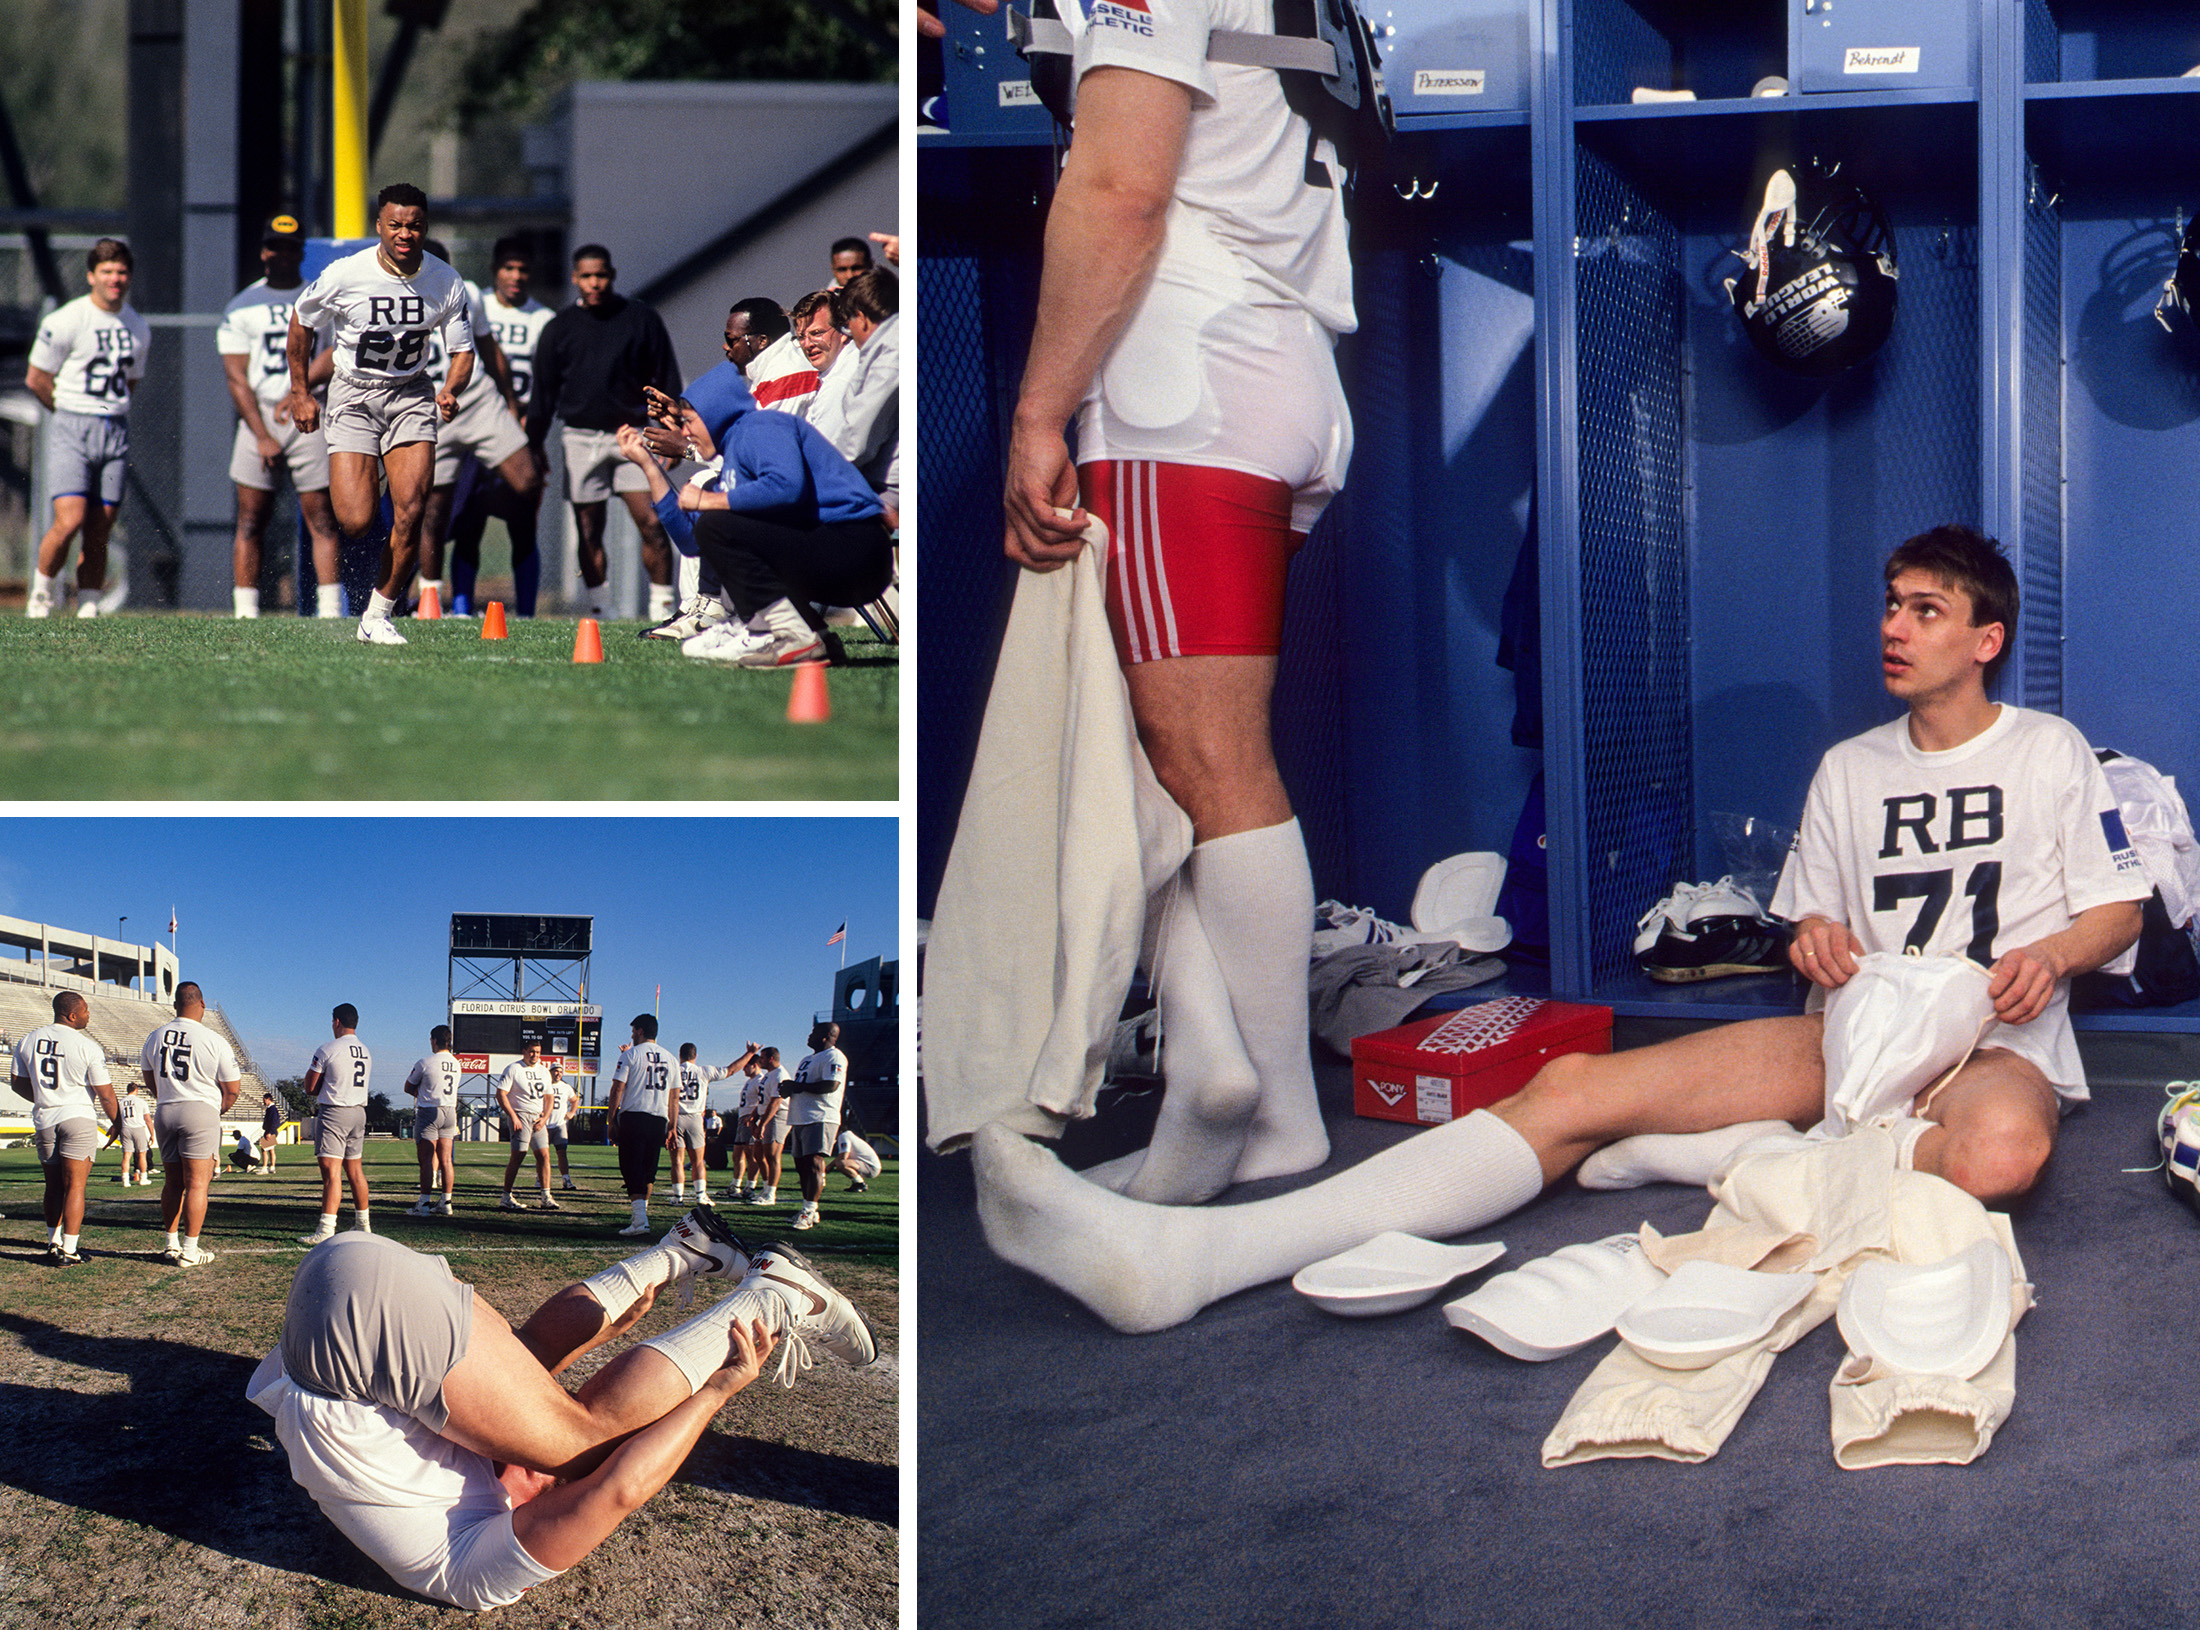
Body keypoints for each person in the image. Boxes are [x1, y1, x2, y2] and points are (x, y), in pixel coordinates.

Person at [972, 526, 2154, 1333]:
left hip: (1989, 1045)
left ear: (1984, 637)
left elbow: (2118, 909)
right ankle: (1204, 1257)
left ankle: (1737, 1158)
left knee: (2001, 1158)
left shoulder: (2046, 750)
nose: (1894, 627)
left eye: (1925, 610)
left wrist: (2049, 954)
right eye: (1890, 605)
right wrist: (1816, 944)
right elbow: (1813, 920)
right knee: (1576, 1086)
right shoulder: (1848, 767)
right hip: (1848, 1039)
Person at [965, 0, 1358, 1216]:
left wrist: (1039, 411)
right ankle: (1223, 1077)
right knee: (1169, 756)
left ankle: (1263, 1107)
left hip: (1183, 370)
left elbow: (1123, 185)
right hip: (1280, 363)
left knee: (1196, 758)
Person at [245, 1216, 876, 1612]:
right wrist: (615, 1343)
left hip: (348, 1342)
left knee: (584, 1443)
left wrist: (719, 1389)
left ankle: (779, 1296)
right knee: (536, 1376)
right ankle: (685, 1248)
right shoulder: (450, 1513)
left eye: (549, 1493)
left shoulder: (473, 1577)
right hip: (337, 1285)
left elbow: (617, 1486)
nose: (549, 1484)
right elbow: (510, 1379)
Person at [287, 182, 474, 647]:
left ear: (425, 227)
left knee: (412, 511)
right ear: (379, 226)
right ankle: (371, 471)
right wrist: (300, 390)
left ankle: (378, 615)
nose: (405, 233)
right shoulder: (346, 273)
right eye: (395, 224)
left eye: (414, 225)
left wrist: (450, 389)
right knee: (355, 519)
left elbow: (463, 351)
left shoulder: (445, 280)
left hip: (410, 393)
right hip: (352, 394)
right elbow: (302, 320)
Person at [633, 365, 891, 667]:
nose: (684, 432)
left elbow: (786, 486)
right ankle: (811, 637)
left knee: (720, 526)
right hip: (844, 555)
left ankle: (777, 633)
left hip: (858, 549)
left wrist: (708, 499)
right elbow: (694, 543)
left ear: (714, 412)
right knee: (717, 528)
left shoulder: (761, 425)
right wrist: (648, 465)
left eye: (688, 421)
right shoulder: (735, 452)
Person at [523, 244, 683, 623]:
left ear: (611, 275)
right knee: (588, 529)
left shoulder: (641, 319)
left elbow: (667, 378)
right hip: (579, 437)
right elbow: (542, 395)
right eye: (587, 276)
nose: (595, 283)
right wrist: (533, 447)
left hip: (634, 434)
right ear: (576, 278)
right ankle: (601, 609)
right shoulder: (558, 328)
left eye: (602, 275)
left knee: (654, 522)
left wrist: (672, 431)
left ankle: (662, 609)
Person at [219, 213, 342, 619]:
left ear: (301, 252)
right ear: (264, 251)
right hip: (261, 418)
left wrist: (300, 391)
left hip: (308, 411)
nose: (283, 255)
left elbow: (334, 351)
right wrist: (261, 434)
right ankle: (246, 611)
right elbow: (237, 377)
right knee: (251, 518)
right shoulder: (242, 306)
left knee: (322, 516)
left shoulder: (317, 298)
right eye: (276, 246)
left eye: (291, 247)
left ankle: (329, 609)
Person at [411, 235, 540, 617]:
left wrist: (511, 402)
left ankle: (476, 505)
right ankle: (431, 600)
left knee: (527, 481)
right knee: (433, 512)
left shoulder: (466, 292)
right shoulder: (397, 298)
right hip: (429, 404)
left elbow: (488, 348)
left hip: (477, 396)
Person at [23, 238, 149, 619]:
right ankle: (42, 594)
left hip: (113, 428)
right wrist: (67, 410)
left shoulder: (138, 327)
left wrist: (105, 410)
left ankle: (89, 603)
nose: (115, 279)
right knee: (70, 519)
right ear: (92, 275)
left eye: (122, 271)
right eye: (107, 271)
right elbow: (37, 377)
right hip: (72, 426)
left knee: (101, 527)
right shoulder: (66, 319)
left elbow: (130, 383)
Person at [447, 237, 558, 617]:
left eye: (523, 269)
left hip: (519, 426)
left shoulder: (543, 319)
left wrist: (532, 423)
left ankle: (526, 611)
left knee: (523, 519)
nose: (516, 276)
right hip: (479, 420)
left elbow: (547, 383)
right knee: (468, 520)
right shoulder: (477, 305)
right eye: (509, 268)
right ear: (495, 271)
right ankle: (460, 607)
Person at [11, 991, 120, 1265]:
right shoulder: (87, 1046)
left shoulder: (28, 1040)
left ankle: (53, 1242)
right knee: (75, 1187)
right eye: (85, 1010)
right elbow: (105, 1093)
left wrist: (46, 1098)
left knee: (53, 1186)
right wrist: (117, 1123)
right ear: (72, 1015)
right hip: (77, 1117)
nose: (88, 1015)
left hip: (45, 1118)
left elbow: (18, 1083)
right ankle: (69, 1249)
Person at [144, 980, 244, 1267]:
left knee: (172, 1182)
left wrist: (167, 1096)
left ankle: (171, 1244)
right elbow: (233, 1088)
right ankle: (190, 1250)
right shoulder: (214, 1039)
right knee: (198, 1184)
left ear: (175, 1004)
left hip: (165, 1110)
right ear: (201, 1003)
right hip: (199, 1109)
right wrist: (217, 1109)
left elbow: (149, 1076)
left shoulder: (155, 1036)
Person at [811, 269, 899, 529]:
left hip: (890, 492)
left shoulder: (891, 353)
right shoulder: (889, 346)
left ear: (860, 317)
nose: (848, 332)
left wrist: (819, 479)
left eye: (847, 322)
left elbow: (859, 439)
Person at [299, 1003, 375, 1247]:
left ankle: (326, 1228)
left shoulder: (328, 1048)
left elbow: (310, 1087)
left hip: (335, 1112)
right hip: (359, 1112)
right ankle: (363, 1224)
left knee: (331, 1173)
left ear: (336, 1022)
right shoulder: (366, 1050)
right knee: (355, 1171)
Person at [608, 1015, 680, 1237]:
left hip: (635, 1117)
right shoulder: (671, 1058)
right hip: (659, 1118)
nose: (631, 1035)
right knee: (649, 1170)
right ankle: (641, 1217)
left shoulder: (630, 1054)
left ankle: (640, 1221)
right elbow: (675, 1097)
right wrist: (673, 1127)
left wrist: (611, 1120)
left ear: (639, 1031)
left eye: (633, 1031)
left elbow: (618, 1088)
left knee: (632, 1168)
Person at [786, 1022, 848, 1232]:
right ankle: (810, 1208)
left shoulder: (834, 1056)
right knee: (801, 1166)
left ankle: (809, 1210)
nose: (809, 1036)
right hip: (800, 1116)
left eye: (814, 1032)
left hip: (821, 1115)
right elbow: (802, 1085)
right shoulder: (807, 1059)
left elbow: (831, 1085)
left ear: (825, 1036)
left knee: (814, 1162)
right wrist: (789, 1089)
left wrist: (797, 1086)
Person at [722, 298, 819, 417]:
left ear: (762, 341)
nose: (725, 347)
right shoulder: (775, 368)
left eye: (731, 340)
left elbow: (761, 433)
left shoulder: (784, 379)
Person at [496, 1041, 559, 1212]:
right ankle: (506, 1196)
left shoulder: (544, 1071)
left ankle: (546, 1196)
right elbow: (501, 1093)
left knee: (544, 1155)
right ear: (524, 1051)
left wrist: (545, 1118)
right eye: (532, 1052)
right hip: (520, 1115)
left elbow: (549, 1098)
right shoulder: (514, 1068)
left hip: (537, 1118)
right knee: (518, 1156)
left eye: (538, 1052)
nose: (535, 1056)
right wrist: (513, 1116)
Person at [406, 1025, 463, 1216]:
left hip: (429, 1110)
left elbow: (408, 1086)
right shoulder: (456, 1064)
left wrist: (420, 1091)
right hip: (450, 1111)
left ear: (434, 1040)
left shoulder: (425, 1062)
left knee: (427, 1160)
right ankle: (446, 1202)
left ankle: (423, 1204)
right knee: (446, 1159)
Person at [669, 1043, 730, 1207]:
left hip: (676, 1118)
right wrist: (749, 1054)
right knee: (698, 1161)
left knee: (677, 1161)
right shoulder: (703, 1071)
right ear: (695, 1056)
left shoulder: (673, 1070)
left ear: (679, 1055)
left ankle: (677, 1197)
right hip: (695, 1117)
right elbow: (730, 1070)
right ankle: (701, 1196)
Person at [745, 1047, 789, 1207]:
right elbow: (764, 1100)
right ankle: (765, 1189)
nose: (759, 1061)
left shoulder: (779, 1075)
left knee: (772, 1155)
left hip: (777, 1116)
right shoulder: (768, 1076)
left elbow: (776, 1102)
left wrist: (762, 1123)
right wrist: (755, 1114)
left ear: (770, 1059)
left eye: (762, 1058)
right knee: (759, 1155)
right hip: (765, 1115)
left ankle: (771, 1193)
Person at [111, 1081, 156, 1184]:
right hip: (138, 1128)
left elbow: (117, 1119)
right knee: (142, 1154)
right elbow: (147, 1119)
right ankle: (143, 1178)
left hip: (125, 1128)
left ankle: (125, 1180)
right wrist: (152, 1133)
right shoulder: (141, 1102)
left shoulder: (121, 1102)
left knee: (126, 1156)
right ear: (136, 1090)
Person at [547, 1057, 580, 1191]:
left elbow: (575, 1101)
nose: (558, 1074)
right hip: (544, 1124)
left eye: (560, 1071)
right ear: (551, 1072)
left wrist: (572, 1113)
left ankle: (566, 1180)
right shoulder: (544, 1084)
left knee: (562, 1153)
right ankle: (540, 1179)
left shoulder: (566, 1087)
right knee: (543, 1154)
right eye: (556, 1071)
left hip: (559, 1124)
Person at [830, 1127, 881, 1194]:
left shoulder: (843, 1136)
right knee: (841, 1163)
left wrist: (829, 1167)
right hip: (871, 1166)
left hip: (871, 1167)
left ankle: (860, 1184)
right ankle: (857, 1184)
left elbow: (843, 1156)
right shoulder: (848, 1135)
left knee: (841, 1164)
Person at [259, 1089, 284, 1173]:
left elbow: (273, 1122)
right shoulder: (273, 1109)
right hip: (272, 1131)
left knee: (264, 1149)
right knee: (271, 1150)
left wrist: (269, 1132)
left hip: (270, 1131)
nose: (264, 1102)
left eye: (264, 1100)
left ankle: (265, 1167)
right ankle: (272, 1167)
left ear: (268, 1099)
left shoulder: (272, 1109)